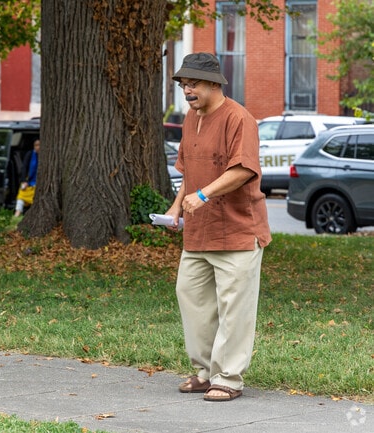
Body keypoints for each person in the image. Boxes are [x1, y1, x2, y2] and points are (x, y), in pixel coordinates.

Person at [164, 53, 271, 402]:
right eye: (183, 84)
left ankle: (229, 378)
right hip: (198, 231)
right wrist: (177, 206)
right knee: (191, 296)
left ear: (214, 83)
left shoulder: (240, 118)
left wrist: (203, 195)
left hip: (238, 231)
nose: (187, 90)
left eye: (193, 83)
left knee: (234, 307)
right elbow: (188, 173)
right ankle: (206, 371)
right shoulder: (190, 120)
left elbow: (243, 170)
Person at [14, 139, 40, 217]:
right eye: (36, 145)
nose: (38, 147)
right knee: (21, 197)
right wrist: (24, 181)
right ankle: (17, 214)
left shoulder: (45, 156)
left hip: (37, 183)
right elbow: (24, 167)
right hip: (28, 181)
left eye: (40, 145)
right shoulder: (30, 154)